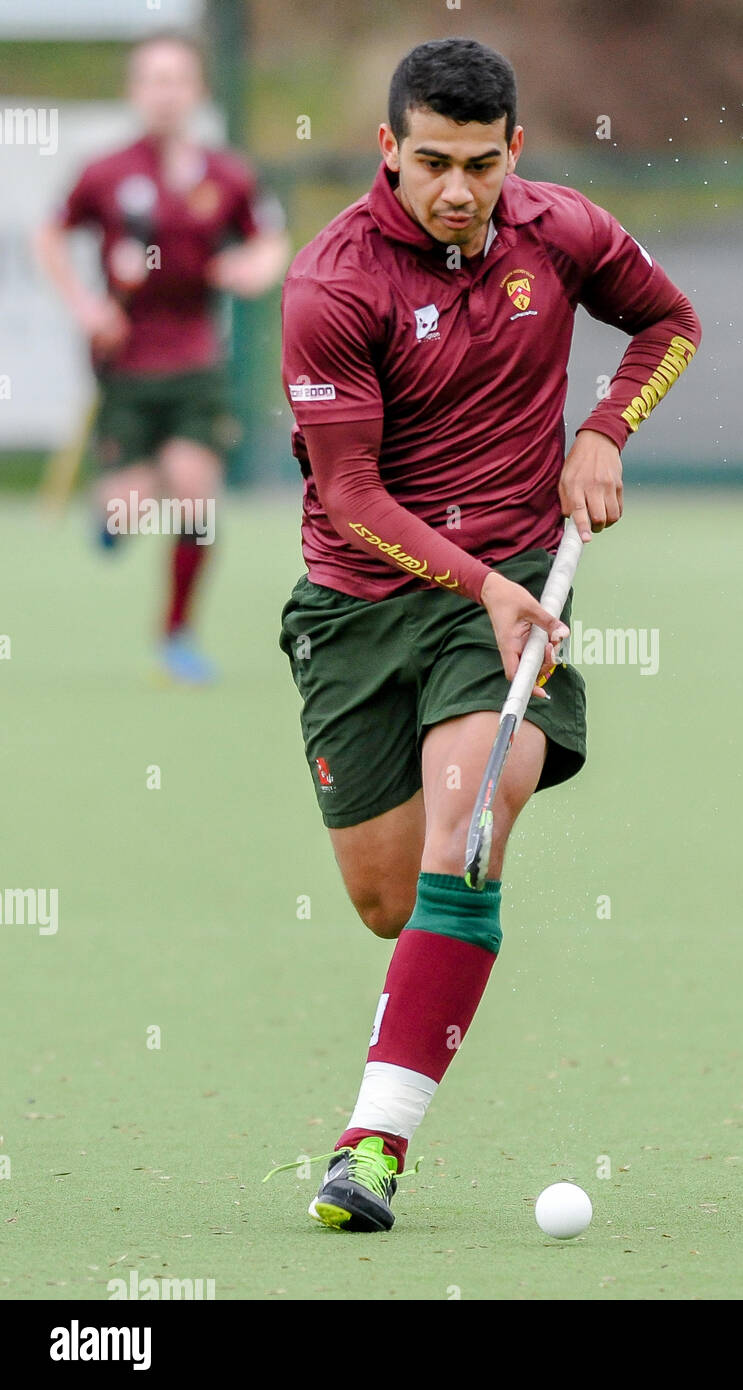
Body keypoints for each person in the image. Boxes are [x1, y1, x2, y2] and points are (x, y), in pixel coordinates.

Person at [270, 37, 700, 1231]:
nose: (457, 191)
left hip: (514, 571)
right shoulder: (330, 286)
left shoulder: (558, 231)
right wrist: (476, 585)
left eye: (478, 163)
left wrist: (605, 428)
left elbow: (667, 323)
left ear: (514, 148)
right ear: (387, 153)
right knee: (382, 896)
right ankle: (417, 997)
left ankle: (370, 1147)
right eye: (430, 163)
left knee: (467, 831)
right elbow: (350, 494)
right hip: (359, 601)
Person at [34, 31, 289, 684]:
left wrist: (249, 268)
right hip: (123, 368)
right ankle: (115, 511)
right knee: (127, 510)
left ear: (198, 91)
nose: (164, 92)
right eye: (152, 79)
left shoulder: (227, 175)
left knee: (197, 498)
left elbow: (269, 242)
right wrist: (85, 307)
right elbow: (50, 236)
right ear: (134, 91)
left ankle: (176, 633)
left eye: (177, 79)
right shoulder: (106, 173)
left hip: (197, 363)